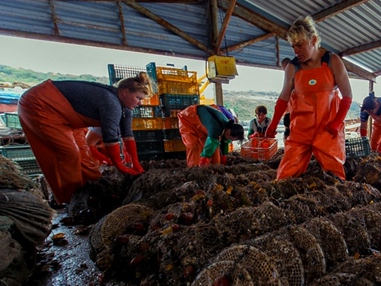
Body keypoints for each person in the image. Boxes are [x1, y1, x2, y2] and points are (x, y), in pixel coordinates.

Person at [18, 73, 150, 204]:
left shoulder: (126, 108)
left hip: (67, 118)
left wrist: (135, 163)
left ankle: (93, 191)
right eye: (138, 98)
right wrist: (119, 165)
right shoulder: (111, 102)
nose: (140, 102)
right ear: (125, 92)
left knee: (84, 154)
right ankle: (70, 199)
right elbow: (110, 138)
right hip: (40, 104)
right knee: (69, 153)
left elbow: (127, 135)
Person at [265, 16, 353, 180]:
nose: (295, 51)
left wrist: (336, 122)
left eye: (299, 45)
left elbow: (347, 96)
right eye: (293, 46)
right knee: (285, 175)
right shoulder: (292, 68)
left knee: (335, 177)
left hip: (328, 129)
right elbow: (283, 98)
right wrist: (273, 124)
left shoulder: (333, 61)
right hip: (301, 130)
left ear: (313, 40)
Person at [178, 104, 244, 167]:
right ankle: (194, 167)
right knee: (194, 145)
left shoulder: (227, 128)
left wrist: (223, 156)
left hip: (204, 124)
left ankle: (214, 166)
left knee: (213, 146)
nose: (231, 140)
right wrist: (204, 160)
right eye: (232, 139)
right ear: (229, 132)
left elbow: (224, 141)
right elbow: (211, 144)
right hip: (189, 117)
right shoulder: (215, 129)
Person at [280, 57, 293, 141]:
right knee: (287, 132)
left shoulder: (296, 75)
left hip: (296, 112)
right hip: (288, 112)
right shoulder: (288, 78)